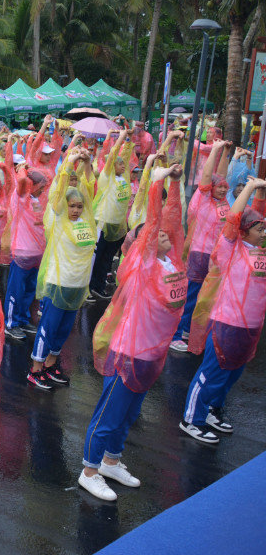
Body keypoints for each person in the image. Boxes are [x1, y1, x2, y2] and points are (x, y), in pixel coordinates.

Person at [78, 164, 185, 501]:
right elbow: (153, 223)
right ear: (142, 245)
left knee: (129, 415)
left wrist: (176, 185)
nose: (165, 233)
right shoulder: (142, 265)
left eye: (167, 233)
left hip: (152, 354)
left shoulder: (171, 263)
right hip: (129, 352)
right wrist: (155, 184)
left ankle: (111, 461)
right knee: (109, 415)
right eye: (158, 234)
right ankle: (89, 470)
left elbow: (173, 218)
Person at [180, 178, 266, 444]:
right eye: (259, 229)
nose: (264, 232)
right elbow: (233, 220)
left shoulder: (261, 250)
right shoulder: (232, 248)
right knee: (213, 372)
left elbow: (256, 214)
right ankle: (191, 419)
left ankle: (211, 411)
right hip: (227, 323)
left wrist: (261, 193)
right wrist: (251, 188)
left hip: (251, 326)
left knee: (232, 372)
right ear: (243, 232)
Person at [28, 149, 95, 390]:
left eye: (79, 206)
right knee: (49, 327)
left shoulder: (87, 221)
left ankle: (51, 364)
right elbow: (58, 189)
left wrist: (87, 164)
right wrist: (69, 161)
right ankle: (35, 369)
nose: (75, 209)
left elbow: (89, 188)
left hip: (77, 286)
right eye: (72, 205)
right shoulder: (57, 219)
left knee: (65, 329)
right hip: (58, 283)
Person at [170, 140, 230, 352]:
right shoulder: (203, 198)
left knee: (206, 296)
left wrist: (227, 152)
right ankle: (175, 334)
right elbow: (208, 177)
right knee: (191, 294)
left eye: (225, 187)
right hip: (199, 254)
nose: (223, 189)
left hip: (215, 256)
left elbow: (220, 175)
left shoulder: (222, 202)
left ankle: (188, 329)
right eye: (219, 187)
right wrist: (214, 149)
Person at [3, 167, 49, 340]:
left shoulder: (36, 200)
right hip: (22, 253)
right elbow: (21, 182)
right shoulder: (20, 198)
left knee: (29, 290)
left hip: (36, 255)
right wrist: (23, 169)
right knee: (16, 290)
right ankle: (11, 323)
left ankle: (22, 319)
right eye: (40, 185)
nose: (43, 188)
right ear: (32, 184)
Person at [89, 129, 133, 299]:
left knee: (107, 260)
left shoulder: (124, 178)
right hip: (102, 223)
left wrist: (129, 140)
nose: (123, 165)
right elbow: (113, 155)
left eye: (124, 164)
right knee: (97, 258)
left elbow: (127, 156)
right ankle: (90, 287)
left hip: (117, 226)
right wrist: (120, 137)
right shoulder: (107, 177)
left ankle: (99, 288)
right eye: (119, 163)